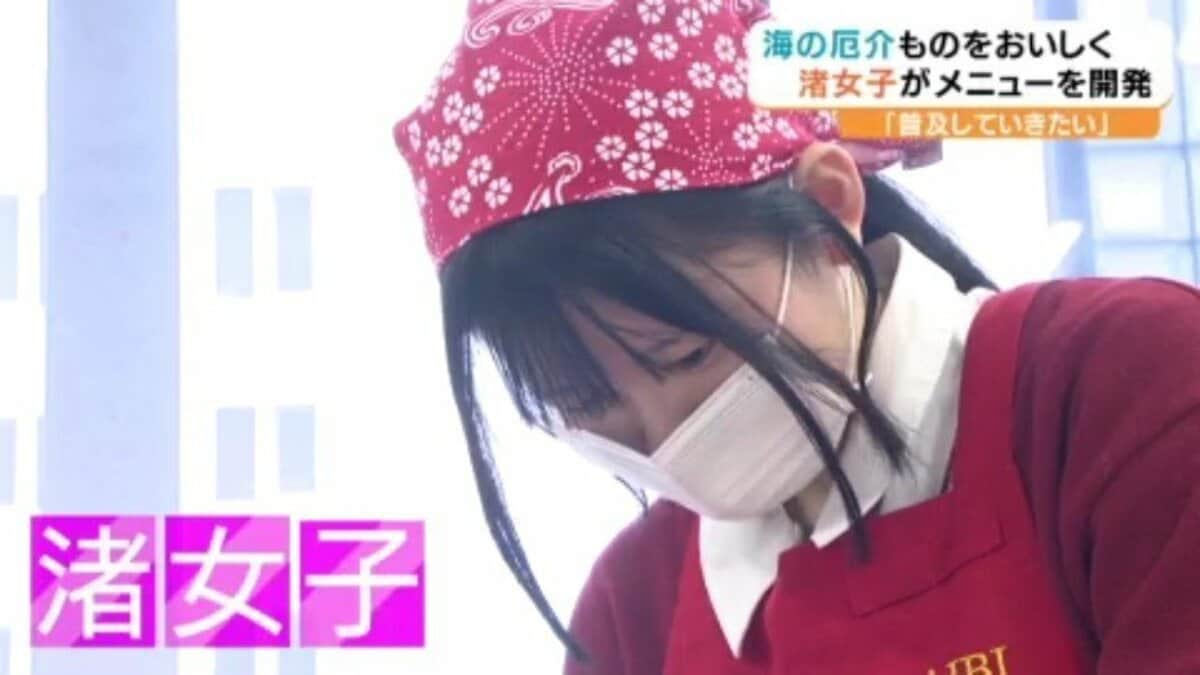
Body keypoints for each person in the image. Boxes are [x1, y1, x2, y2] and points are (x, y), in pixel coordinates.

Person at [391, 1, 1200, 672]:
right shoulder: (633, 611)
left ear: (827, 207)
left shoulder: (1128, 389)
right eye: (585, 401)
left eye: (687, 355)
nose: (668, 439)